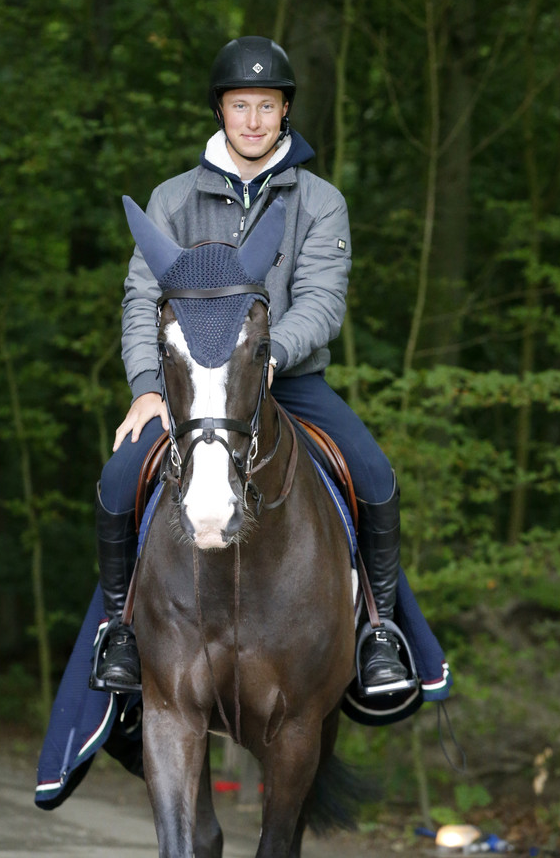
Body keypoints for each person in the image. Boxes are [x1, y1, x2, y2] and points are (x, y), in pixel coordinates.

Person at [93, 35, 408, 697]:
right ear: (221, 111)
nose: (255, 120)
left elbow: (322, 301)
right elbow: (141, 298)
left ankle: (379, 632)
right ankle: (121, 631)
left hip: (288, 380)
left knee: (375, 475)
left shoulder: (321, 202)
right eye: (242, 105)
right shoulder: (173, 199)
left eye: (267, 105)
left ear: (285, 110)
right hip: (190, 390)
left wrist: (271, 358)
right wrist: (147, 389)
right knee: (120, 478)